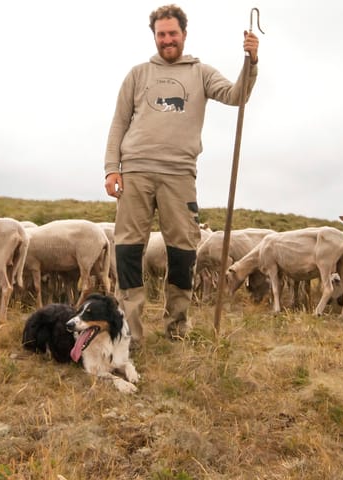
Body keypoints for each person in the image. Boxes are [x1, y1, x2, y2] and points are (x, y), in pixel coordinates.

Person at [104, 4, 259, 344]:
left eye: (173, 33)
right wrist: (111, 169)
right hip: (136, 169)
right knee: (128, 249)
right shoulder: (137, 74)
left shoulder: (201, 73)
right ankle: (130, 330)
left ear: (184, 35)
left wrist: (251, 62)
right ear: (155, 37)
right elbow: (119, 123)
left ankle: (177, 326)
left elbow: (236, 96)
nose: (167, 39)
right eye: (161, 34)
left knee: (182, 251)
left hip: (179, 174)